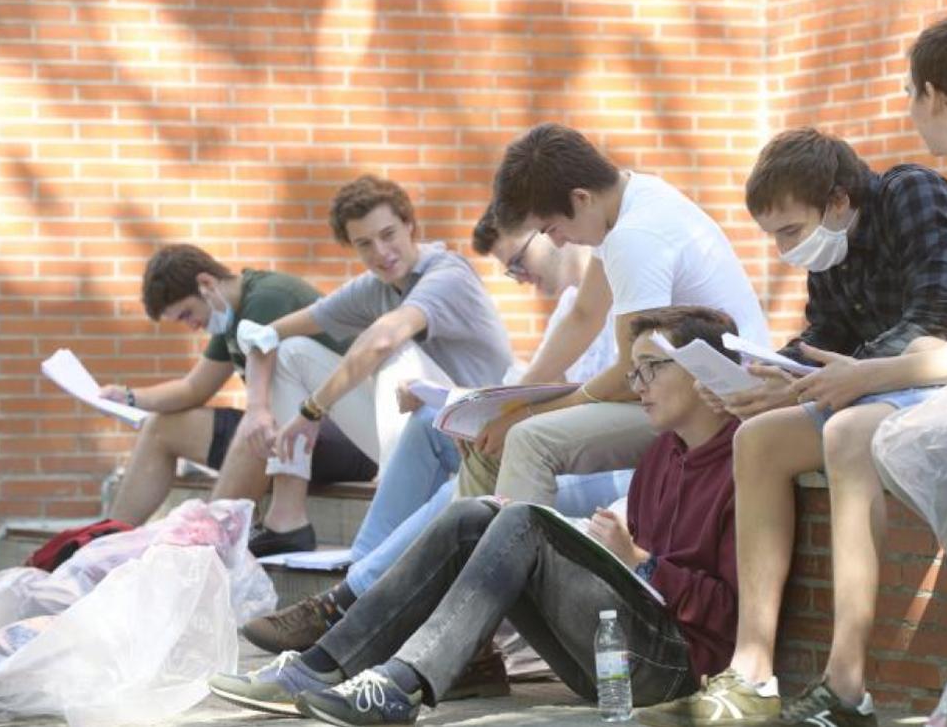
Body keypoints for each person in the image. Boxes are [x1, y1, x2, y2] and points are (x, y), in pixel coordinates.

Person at [208, 307, 742, 727]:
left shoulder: (742, 468)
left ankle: (401, 684)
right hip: (610, 657)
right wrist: (619, 557)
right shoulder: (660, 457)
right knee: (475, 515)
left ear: (702, 375)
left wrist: (642, 564)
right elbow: (632, 574)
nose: (638, 385)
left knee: (524, 521)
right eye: (634, 370)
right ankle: (316, 667)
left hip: (669, 671)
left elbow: (727, 615)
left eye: (651, 368)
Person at [639, 127, 947, 726]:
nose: (785, 248)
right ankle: (751, 672)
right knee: (756, 437)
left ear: (839, 202)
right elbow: (823, 336)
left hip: (941, 379)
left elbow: (938, 318)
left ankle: (846, 686)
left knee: (838, 432)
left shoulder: (912, 194)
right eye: (774, 236)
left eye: (790, 231)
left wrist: (852, 373)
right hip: (871, 388)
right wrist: (768, 371)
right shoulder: (833, 251)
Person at [239, 207, 628, 656]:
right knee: (428, 424)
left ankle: (348, 609)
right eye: (363, 244)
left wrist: (311, 410)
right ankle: (355, 588)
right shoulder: (568, 307)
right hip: (546, 446)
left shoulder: (619, 297)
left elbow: (601, 401)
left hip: (599, 464)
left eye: (519, 261)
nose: (519, 277)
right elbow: (535, 389)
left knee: (469, 484)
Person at [450, 122, 769, 506]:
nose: (557, 241)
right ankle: (484, 563)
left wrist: (527, 414)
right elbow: (584, 315)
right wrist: (508, 405)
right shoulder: (629, 199)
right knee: (493, 441)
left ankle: (522, 565)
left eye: (551, 228)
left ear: (580, 197)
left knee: (528, 438)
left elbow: (629, 376)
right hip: (674, 390)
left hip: (716, 405)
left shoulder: (634, 236)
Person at [238, 175, 514, 555]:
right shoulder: (375, 286)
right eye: (364, 244)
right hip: (422, 436)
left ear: (410, 226)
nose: (381, 252)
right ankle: (287, 519)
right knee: (293, 354)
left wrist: (312, 409)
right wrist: (256, 407)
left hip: (483, 440)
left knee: (393, 353)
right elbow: (264, 337)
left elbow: (383, 339)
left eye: (388, 234)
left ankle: (394, 504)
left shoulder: (448, 274)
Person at [99, 244, 375, 531]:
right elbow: (193, 388)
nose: (191, 325)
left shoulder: (268, 300)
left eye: (186, 314)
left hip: (349, 439)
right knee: (161, 426)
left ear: (206, 284)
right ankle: (106, 538)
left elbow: (263, 408)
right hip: (299, 436)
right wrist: (129, 398)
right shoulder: (231, 316)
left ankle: (208, 544)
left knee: (256, 423)